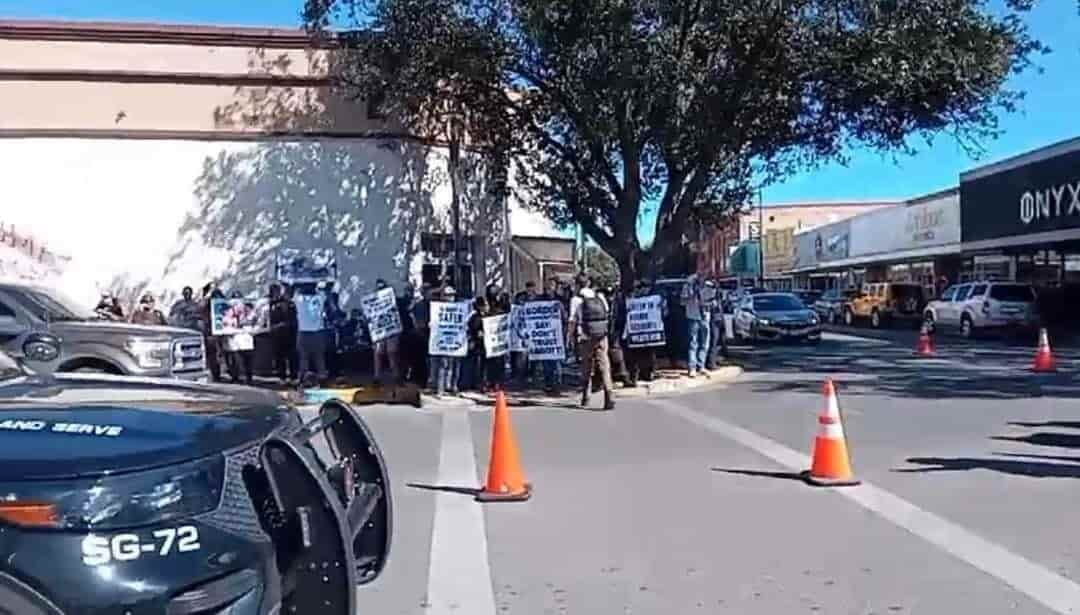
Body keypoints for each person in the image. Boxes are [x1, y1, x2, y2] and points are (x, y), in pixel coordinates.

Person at [567, 274, 615, 410]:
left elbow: (572, 320)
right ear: (588, 283)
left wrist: (569, 337)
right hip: (601, 335)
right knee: (604, 365)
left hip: (585, 336)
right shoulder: (599, 296)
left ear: (577, 285)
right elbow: (607, 312)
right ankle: (609, 394)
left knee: (586, 366)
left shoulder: (576, 300)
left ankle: (586, 397)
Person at [625, 278, 665, 384]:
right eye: (640, 287)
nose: (643, 290)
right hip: (636, 332)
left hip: (650, 333)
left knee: (649, 353)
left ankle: (649, 373)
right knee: (638, 354)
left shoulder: (654, 299)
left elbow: (663, 312)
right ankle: (638, 375)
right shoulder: (632, 299)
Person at [681, 274, 715, 377]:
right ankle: (692, 368)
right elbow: (682, 301)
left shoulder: (709, 286)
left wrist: (708, 303)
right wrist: (691, 295)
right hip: (693, 316)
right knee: (693, 343)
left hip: (705, 316)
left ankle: (701, 366)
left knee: (705, 343)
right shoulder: (688, 285)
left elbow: (714, 301)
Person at [294, 284, 328, 387]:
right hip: (317, 331)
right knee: (318, 356)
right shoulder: (320, 297)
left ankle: (303, 379)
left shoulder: (299, 299)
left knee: (304, 357)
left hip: (303, 331)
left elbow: (294, 291)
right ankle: (322, 377)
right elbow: (325, 289)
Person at [370, 279, 402, 385]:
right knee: (378, 353)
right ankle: (377, 377)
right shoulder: (373, 302)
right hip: (379, 331)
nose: (381, 290)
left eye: (382, 288)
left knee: (391, 352)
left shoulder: (392, 300)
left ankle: (396, 376)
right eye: (379, 288)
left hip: (391, 330)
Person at [221, 290, 256, 385]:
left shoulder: (248, 309)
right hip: (236, 337)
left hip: (246, 337)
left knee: (246, 359)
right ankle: (238, 376)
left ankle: (248, 377)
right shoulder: (229, 311)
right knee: (237, 359)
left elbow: (253, 320)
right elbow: (225, 322)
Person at [435, 285, 462, 397]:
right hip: (444, 340)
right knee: (443, 365)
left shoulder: (460, 308)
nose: (450, 297)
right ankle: (440, 389)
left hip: (456, 340)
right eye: (447, 295)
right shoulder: (438, 308)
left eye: (451, 295)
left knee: (455, 365)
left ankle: (453, 387)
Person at [268, 283, 298, 384]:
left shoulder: (292, 304)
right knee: (280, 356)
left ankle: (294, 376)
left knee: (292, 355)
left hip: (290, 332)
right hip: (278, 333)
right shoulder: (274, 304)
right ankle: (282, 377)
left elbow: (295, 319)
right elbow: (271, 317)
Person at [412, 282, 434, 388]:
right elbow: (415, 318)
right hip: (421, 335)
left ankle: (428, 380)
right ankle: (421, 381)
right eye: (426, 291)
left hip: (432, 335)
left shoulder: (434, 305)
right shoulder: (418, 304)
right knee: (421, 360)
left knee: (429, 360)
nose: (428, 293)